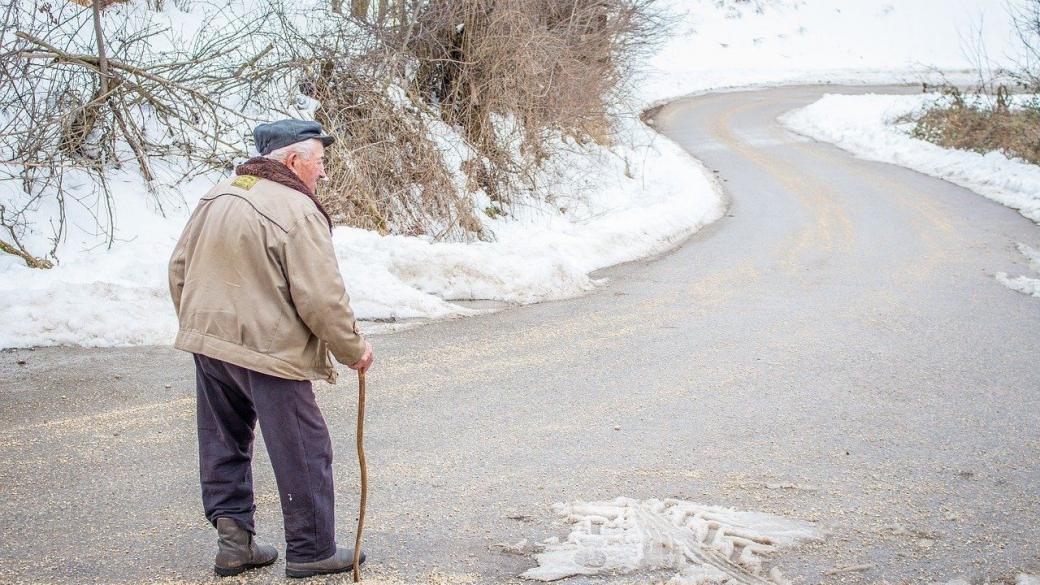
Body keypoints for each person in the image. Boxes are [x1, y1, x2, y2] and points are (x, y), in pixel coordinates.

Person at [168, 119, 374, 578]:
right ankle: (313, 550)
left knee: (224, 440)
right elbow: (322, 297)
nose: (323, 174)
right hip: (267, 349)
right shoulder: (297, 210)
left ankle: (234, 543)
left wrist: (199, 323)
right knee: (304, 447)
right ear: (294, 159)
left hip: (210, 341)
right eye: (319, 162)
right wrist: (352, 348)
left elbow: (178, 266)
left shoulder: (217, 194)